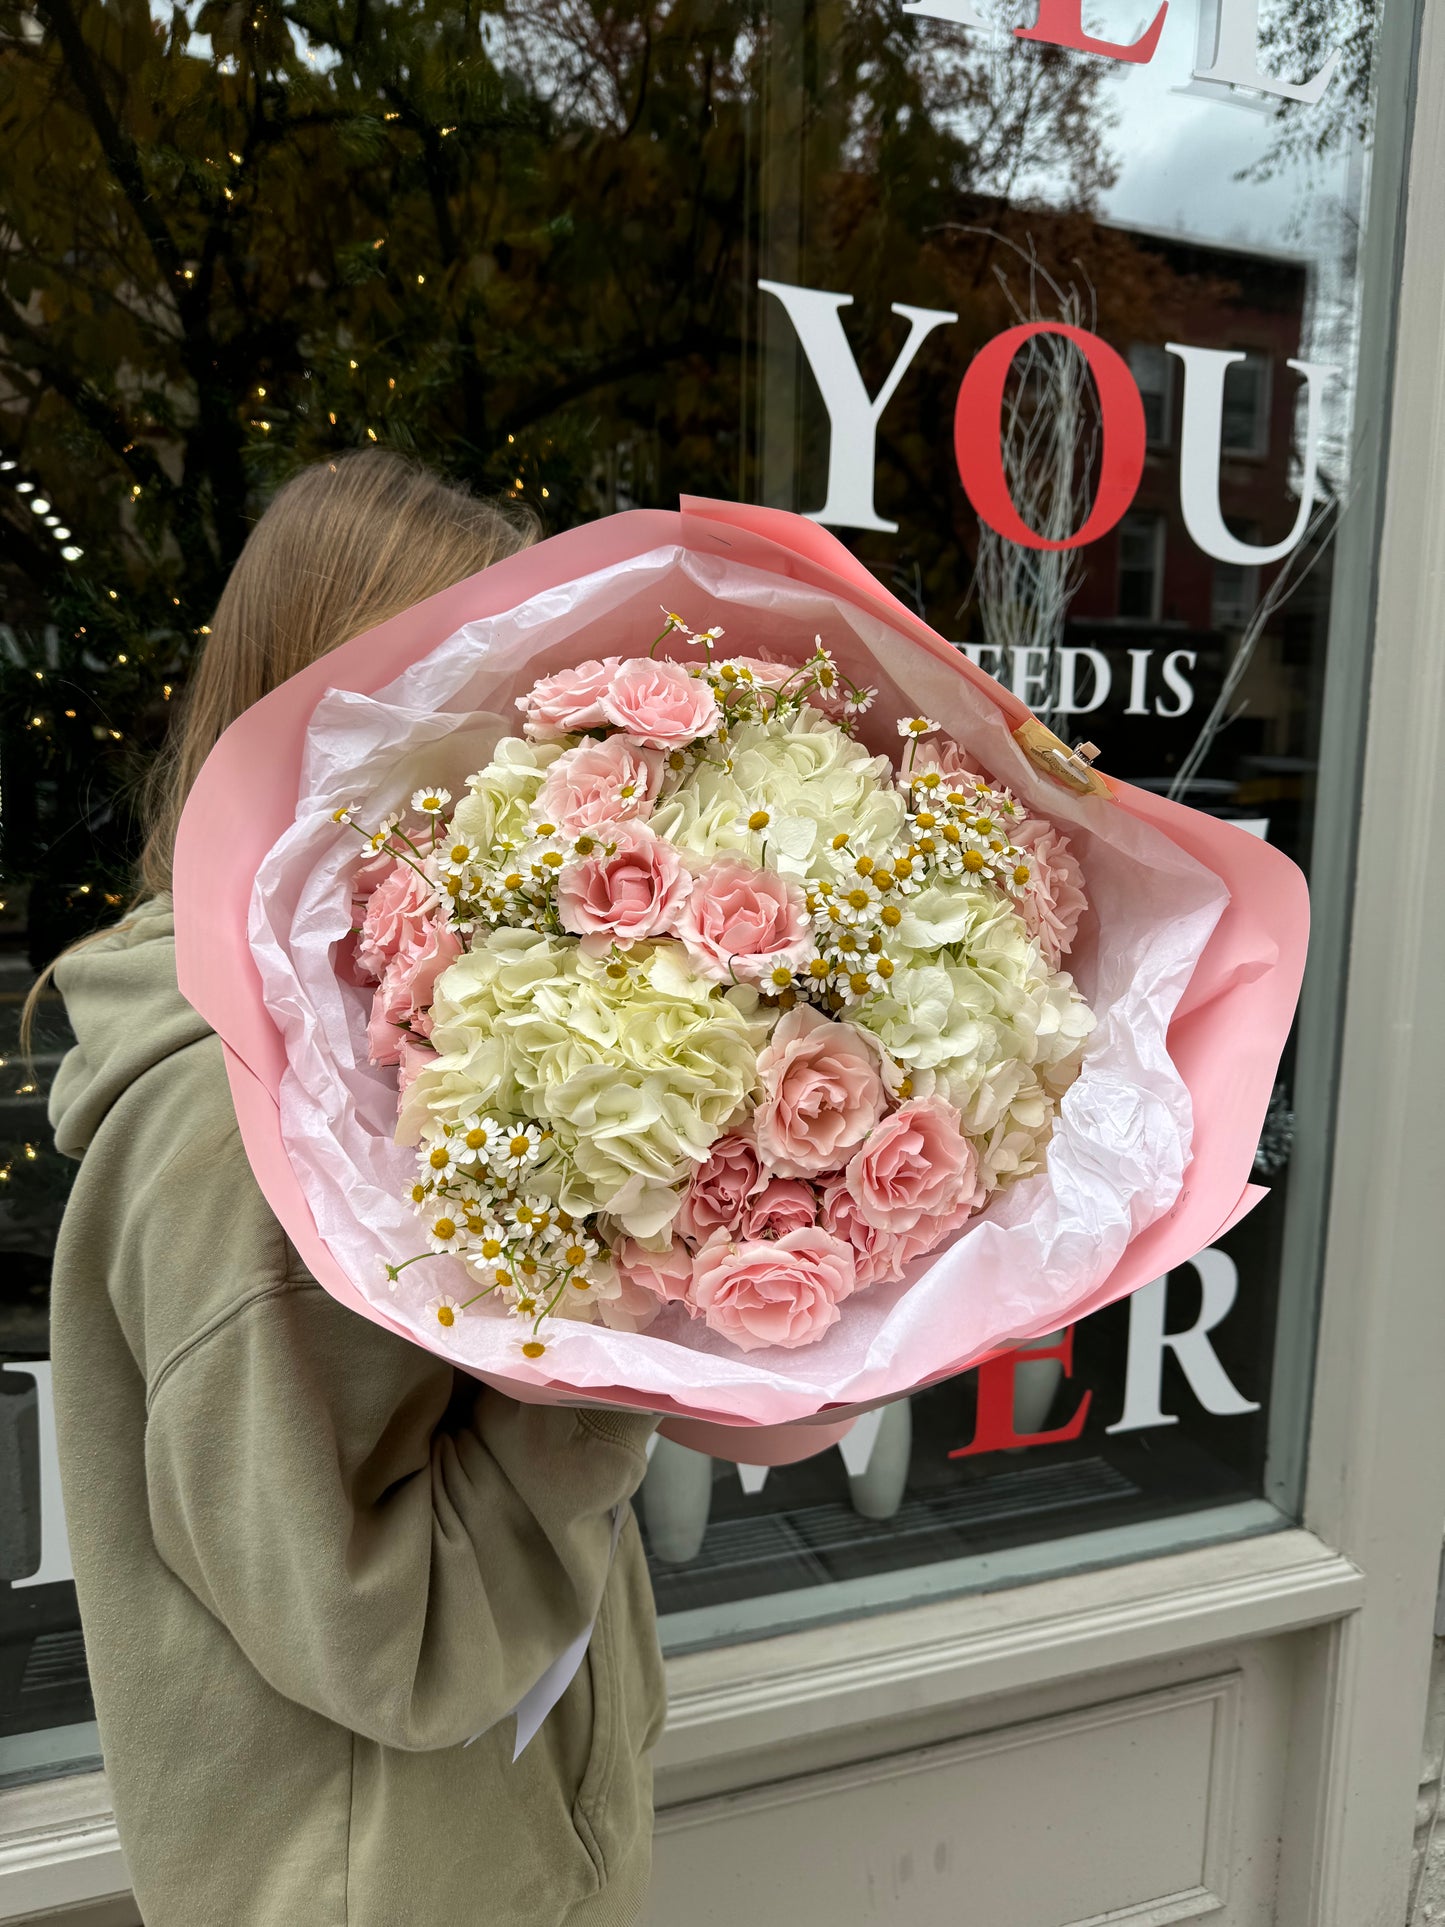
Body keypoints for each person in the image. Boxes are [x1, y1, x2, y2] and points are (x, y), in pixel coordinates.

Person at [37, 452, 666, 1927]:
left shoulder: (419, 1036)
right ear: (318, 706)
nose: (527, 748)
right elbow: (397, 1642)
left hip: (504, 1854)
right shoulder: (220, 1122)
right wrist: (623, 1342)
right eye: (473, 691)